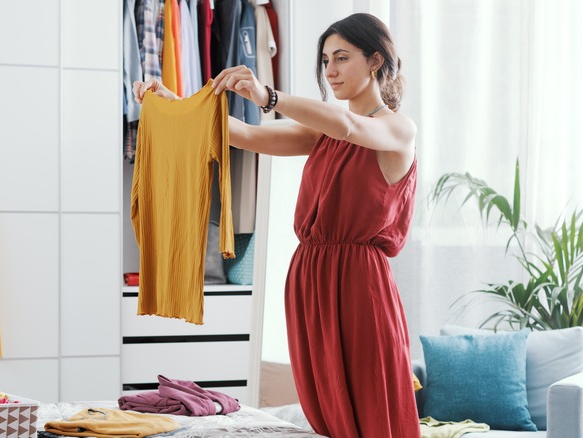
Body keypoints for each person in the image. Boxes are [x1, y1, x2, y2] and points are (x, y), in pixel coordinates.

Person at [133, 12, 419, 438]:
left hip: (360, 283)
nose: (331, 71)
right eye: (325, 61)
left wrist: (269, 96)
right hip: (310, 278)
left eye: (341, 58)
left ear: (376, 60)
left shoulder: (397, 128)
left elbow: (348, 124)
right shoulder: (323, 133)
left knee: (371, 405)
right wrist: (170, 101)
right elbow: (244, 135)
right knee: (326, 409)